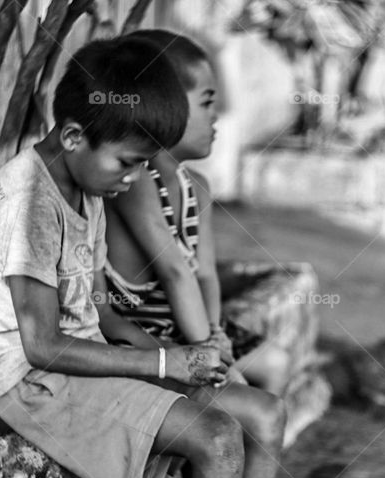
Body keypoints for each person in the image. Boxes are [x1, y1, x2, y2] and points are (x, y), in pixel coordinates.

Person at [0, 36, 314, 478]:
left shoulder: (85, 188)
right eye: (127, 162)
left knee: (262, 414)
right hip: (28, 380)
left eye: (146, 164)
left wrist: (185, 361)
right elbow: (40, 344)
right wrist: (162, 360)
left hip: (75, 361)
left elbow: (93, 313)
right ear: (70, 137)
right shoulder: (28, 202)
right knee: (217, 438)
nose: (136, 178)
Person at [103, 29, 292, 397]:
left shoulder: (198, 187)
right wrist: (209, 349)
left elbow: (204, 275)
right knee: (235, 388)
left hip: (191, 328)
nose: (216, 118)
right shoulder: (136, 182)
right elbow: (175, 273)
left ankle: (259, 451)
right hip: (145, 342)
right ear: (165, 107)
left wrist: (215, 333)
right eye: (206, 103)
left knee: (275, 363)